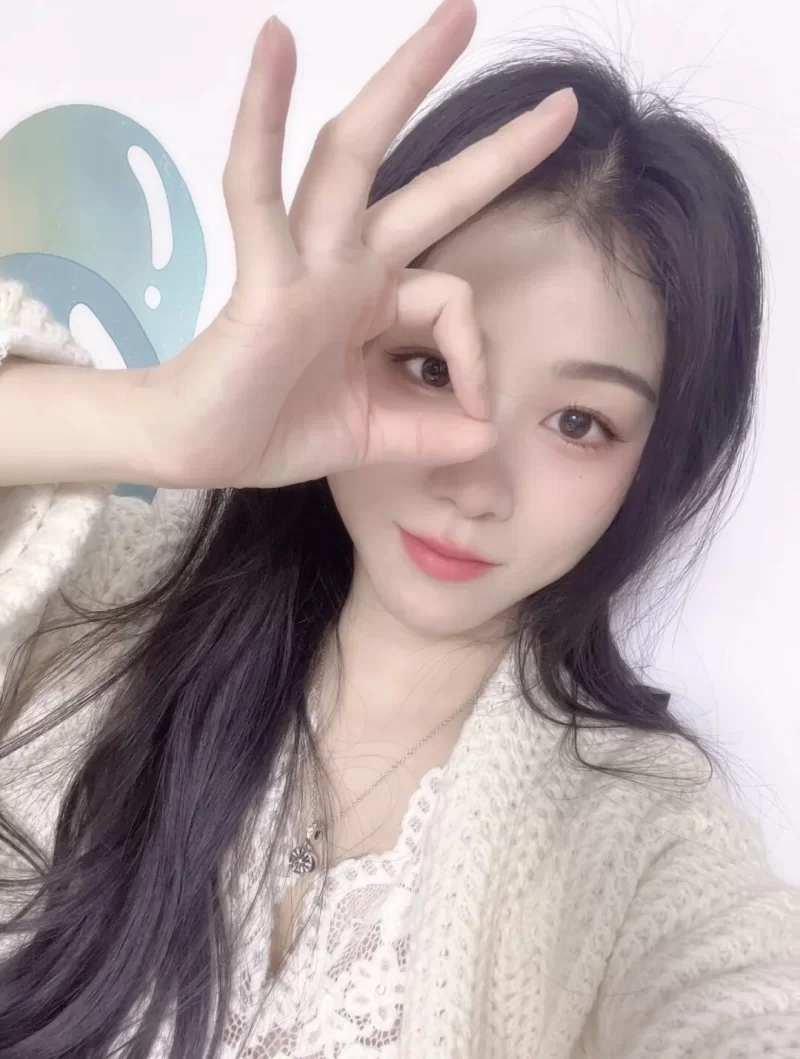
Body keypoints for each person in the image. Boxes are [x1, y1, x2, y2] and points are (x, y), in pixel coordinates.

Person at [0, 0, 798, 1055]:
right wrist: (158, 423)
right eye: (430, 366)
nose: (473, 481)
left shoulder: (641, 841)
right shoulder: (98, 605)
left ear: (656, 466)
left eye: (578, 422)